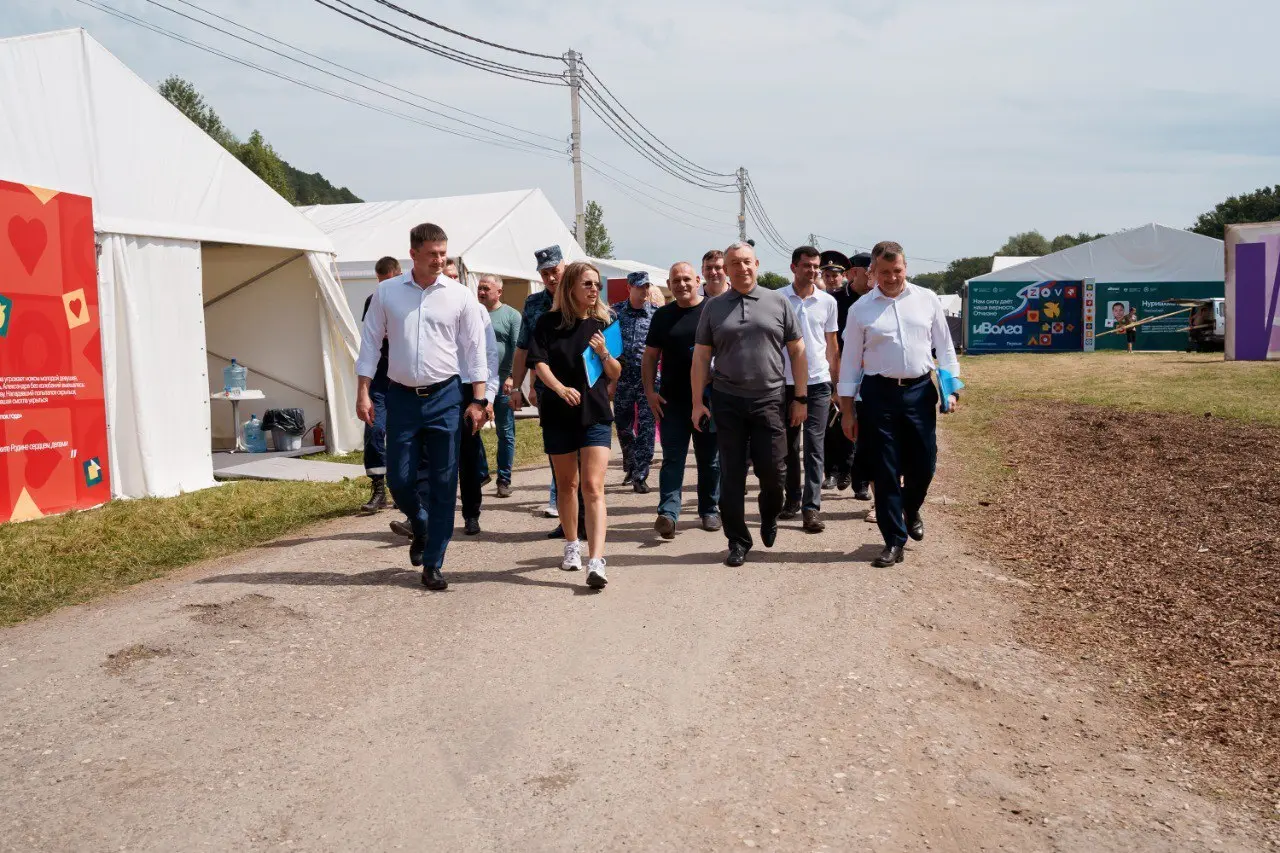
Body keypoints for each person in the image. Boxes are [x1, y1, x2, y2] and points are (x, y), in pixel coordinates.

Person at [356, 222, 488, 591]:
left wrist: (479, 399)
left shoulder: (460, 296)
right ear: (412, 254)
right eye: (432, 254)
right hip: (400, 397)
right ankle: (423, 523)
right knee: (399, 478)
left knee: (446, 482)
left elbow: (476, 350)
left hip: (446, 396)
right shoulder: (387, 293)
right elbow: (370, 344)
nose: (439, 260)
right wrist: (363, 390)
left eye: (443, 253)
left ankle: (433, 562)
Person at [838, 241, 960, 569]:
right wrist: (847, 409)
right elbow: (850, 363)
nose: (892, 278)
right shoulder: (861, 310)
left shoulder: (927, 300)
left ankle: (911, 507)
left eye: (898, 271)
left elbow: (945, 350)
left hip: (919, 392)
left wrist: (952, 390)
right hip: (878, 395)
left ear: (906, 269)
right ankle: (894, 539)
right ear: (872, 273)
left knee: (926, 463)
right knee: (886, 469)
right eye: (884, 272)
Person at [691, 242, 808, 567]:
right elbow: (701, 357)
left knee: (773, 472)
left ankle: (769, 512)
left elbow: (797, 351)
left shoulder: (777, 301)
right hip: (727, 401)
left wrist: (800, 397)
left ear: (756, 264)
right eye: (734, 264)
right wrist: (697, 402)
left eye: (746, 262)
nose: (741, 268)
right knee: (732, 475)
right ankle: (738, 541)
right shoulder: (713, 308)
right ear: (725, 269)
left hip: (770, 399)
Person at [527, 261, 620, 590]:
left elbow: (616, 372)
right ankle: (571, 545)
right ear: (570, 288)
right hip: (558, 412)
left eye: (597, 284)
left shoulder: (606, 322)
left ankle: (596, 560)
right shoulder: (547, 323)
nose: (594, 290)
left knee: (593, 487)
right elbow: (538, 363)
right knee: (567, 485)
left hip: (594, 413)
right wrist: (558, 388)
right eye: (587, 284)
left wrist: (605, 352)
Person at [509, 245, 584, 538]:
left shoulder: (583, 295)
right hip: (549, 392)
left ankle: (587, 516)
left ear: (565, 268)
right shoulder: (533, 305)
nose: (552, 277)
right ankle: (568, 521)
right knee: (560, 456)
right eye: (546, 273)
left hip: (584, 388)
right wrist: (517, 386)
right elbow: (523, 348)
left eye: (555, 270)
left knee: (585, 456)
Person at [644, 261, 720, 538]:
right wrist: (650, 392)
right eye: (676, 281)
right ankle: (668, 513)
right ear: (669, 284)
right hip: (671, 402)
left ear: (698, 280)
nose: (682, 285)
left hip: (708, 400)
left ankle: (709, 510)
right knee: (672, 458)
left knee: (709, 460)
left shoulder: (712, 311)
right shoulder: (662, 316)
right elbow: (650, 356)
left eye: (687, 279)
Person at [779, 246, 840, 533]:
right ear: (794, 267)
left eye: (816, 266)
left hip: (818, 383)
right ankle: (791, 498)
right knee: (789, 447)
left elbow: (832, 346)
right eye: (807, 266)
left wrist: (837, 384)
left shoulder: (827, 302)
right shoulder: (778, 299)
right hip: (784, 383)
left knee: (815, 447)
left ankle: (811, 507)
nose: (813, 271)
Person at [826, 250, 874, 501]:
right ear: (854, 272)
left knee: (868, 431)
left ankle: (862, 482)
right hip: (844, 370)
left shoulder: (880, 299)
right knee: (843, 426)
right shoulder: (835, 300)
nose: (872, 276)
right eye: (869, 271)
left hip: (873, 373)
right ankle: (836, 470)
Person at [358, 256, 402, 516]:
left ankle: (402, 489)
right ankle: (378, 489)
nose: (384, 287)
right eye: (380, 282)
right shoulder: (373, 300)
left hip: (404, 379)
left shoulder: (409, 298)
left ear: (398, 275)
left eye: (388, 281)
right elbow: (370, 341)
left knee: (402, 436)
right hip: (379, 378)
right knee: (374, 431)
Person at [456, 283, 501, 537]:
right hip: (439, 386)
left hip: (469, 388)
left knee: (468, 457)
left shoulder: (477, 312)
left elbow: (490, 357)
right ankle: (423, 515)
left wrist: (486, 398)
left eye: (453, 276)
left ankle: (471, 514)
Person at [611, 271, 658, 493]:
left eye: (647, 286)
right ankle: (630, 464)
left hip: (647, 379)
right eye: (640, 287)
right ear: (629, 288)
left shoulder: (656, 314)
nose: (644, 291)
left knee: (647, 427)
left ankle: (641, 473)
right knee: (623, 426)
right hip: (622, 378)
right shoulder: (615, 313)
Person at [476, 274, 522, 498]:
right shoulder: (473, 313)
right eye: (480, 288)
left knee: (505, 432)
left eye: (486, 288)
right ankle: (481, 472)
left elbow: (517, 348)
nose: (481, 292)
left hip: (503, 382)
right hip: (477, 382)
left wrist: (513, 377)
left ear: (499, 292)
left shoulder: (511, 316)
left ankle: (504, 479)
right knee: (471, 429)